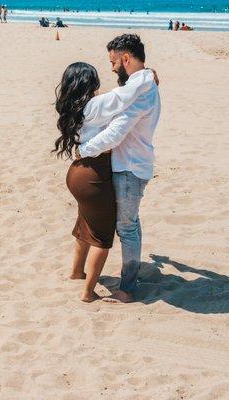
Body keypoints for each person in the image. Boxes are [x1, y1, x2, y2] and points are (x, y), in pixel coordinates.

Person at [55, 61, 157, 302]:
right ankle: (88, 292)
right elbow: (123, 96)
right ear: (89, 82)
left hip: (77, 173)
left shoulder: (72, 107)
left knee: (85, 225)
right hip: (94, 176)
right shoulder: (95, 105)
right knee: (102, 236)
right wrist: (147, 75)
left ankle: (76, 272)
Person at [77, 34, 161, 303]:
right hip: (127, 164)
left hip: (130, 168)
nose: (112, 67)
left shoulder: (142, 90)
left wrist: (84, 149)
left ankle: (127, 288)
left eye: (114, 62)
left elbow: (116, 131)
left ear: (126, 58)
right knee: (129, 224)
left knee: (127, 228)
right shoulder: (140, 85)